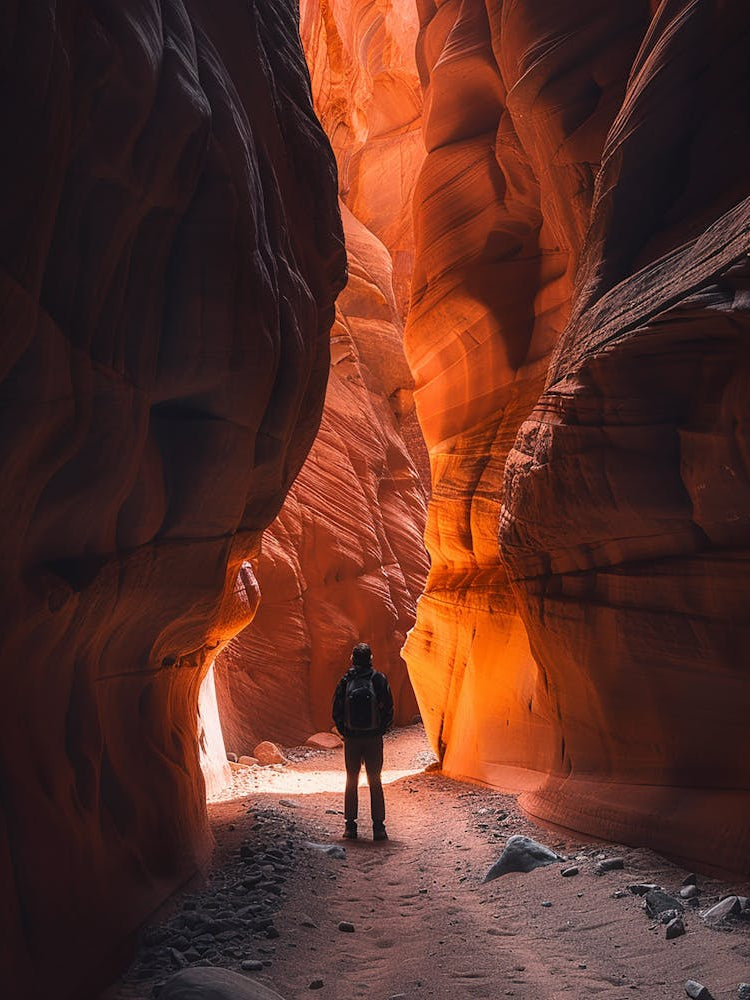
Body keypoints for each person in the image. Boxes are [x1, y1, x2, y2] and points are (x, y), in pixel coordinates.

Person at [332, 642, 394, 841]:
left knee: (352, 780)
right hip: (373, 738)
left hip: (352, 739)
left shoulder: (345, 681)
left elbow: (336, 709)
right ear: (370, 659)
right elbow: (389, 707)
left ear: (352, 659)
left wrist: (346, 731)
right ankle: (379, 828)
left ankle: (350, 827)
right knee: (375, 780)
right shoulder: (378, 679)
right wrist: (380, 729)